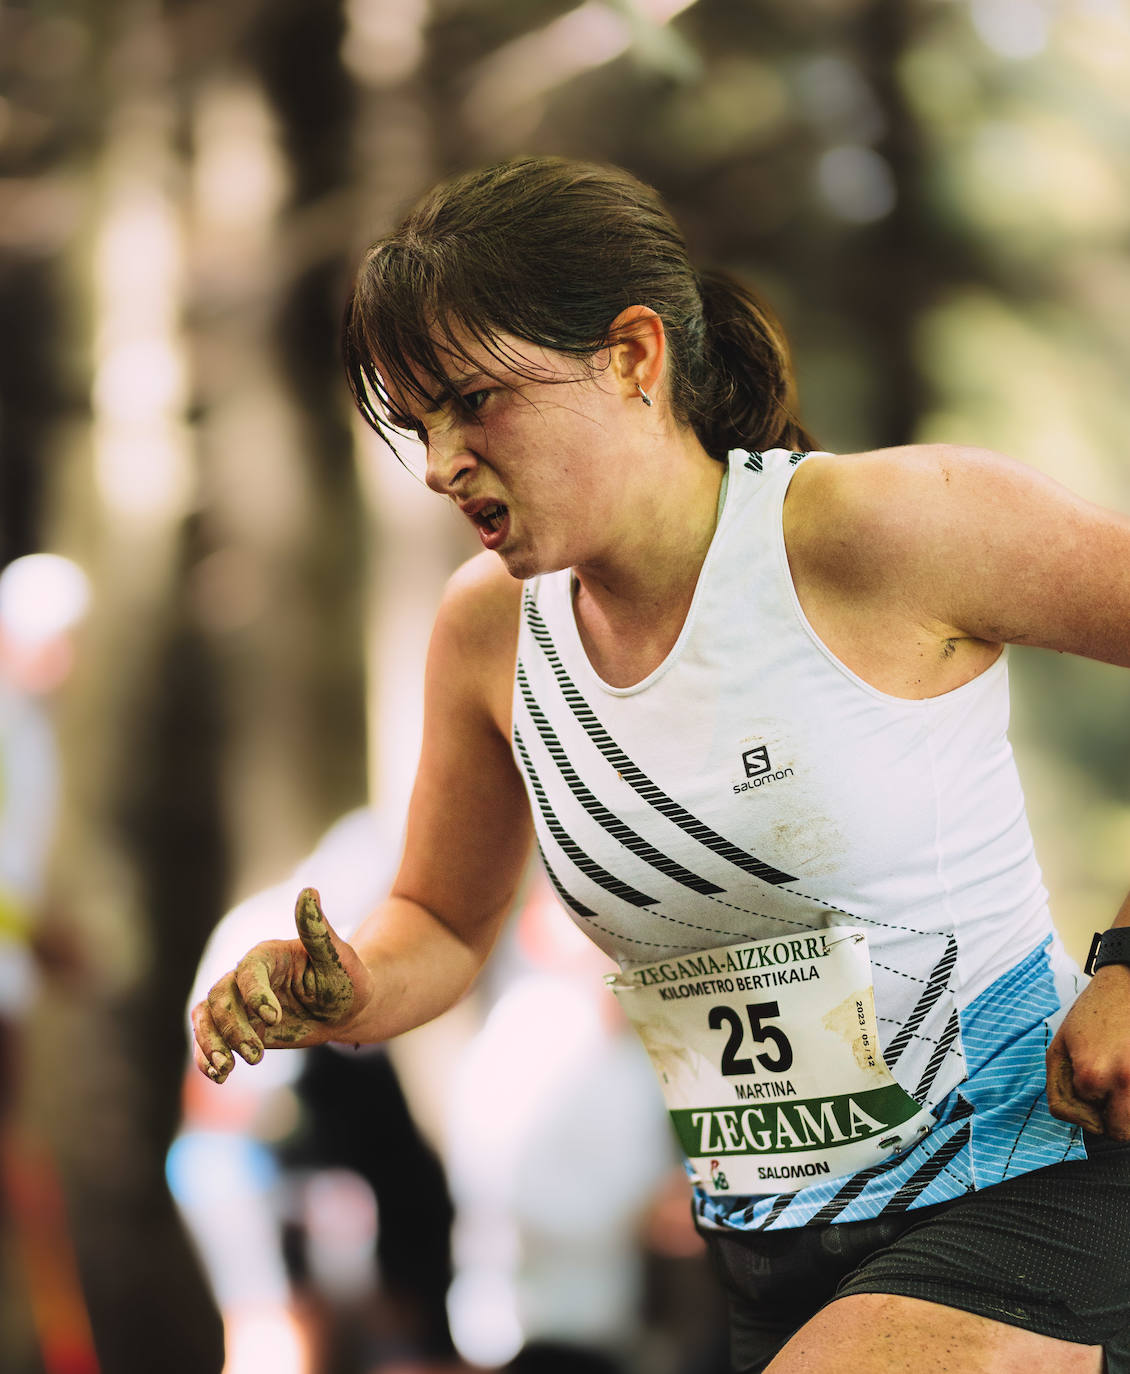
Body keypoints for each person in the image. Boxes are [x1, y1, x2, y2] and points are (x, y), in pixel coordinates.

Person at [191, 156, 1130, 1373]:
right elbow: (437, 915)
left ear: (633, 357)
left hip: (1023, 1194)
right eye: (415, 423)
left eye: (473, 402)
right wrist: (347, 991)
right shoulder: (485, 633)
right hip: (767, 1262)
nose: (436, 463)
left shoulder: (879, 528)